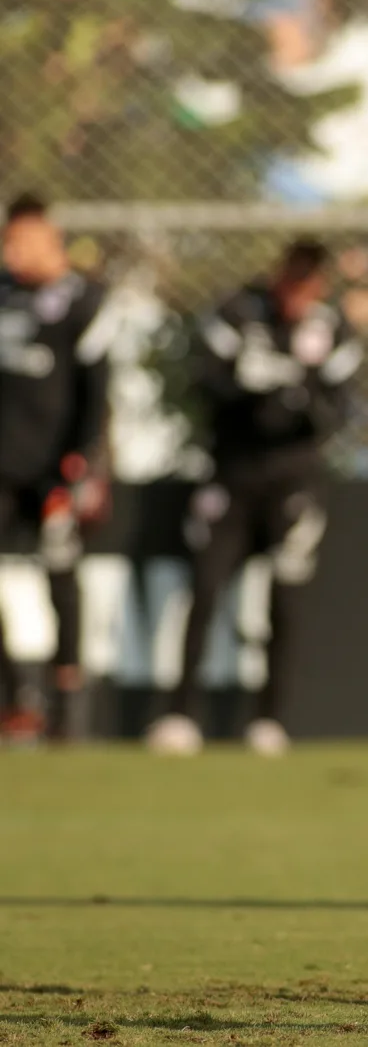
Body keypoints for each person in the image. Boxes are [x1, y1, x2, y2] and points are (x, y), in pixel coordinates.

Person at [145, 238, 360, 757]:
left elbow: (337, 412)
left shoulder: (331, 330)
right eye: (292, 285)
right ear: (279, 276)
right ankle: (180, 716)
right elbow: (203, 382)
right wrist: (247, 384)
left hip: (294, 480)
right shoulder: (237, 312)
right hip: (232, 474)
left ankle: (269, 720)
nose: (298, 299)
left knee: (284, 599)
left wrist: (295, 388)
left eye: (309, 289)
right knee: (205, 588)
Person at [0, 193, 113, 743]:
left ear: (49, 240)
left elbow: (96, 395)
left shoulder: (84, 302)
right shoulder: (3, 296)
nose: (11, 252)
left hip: (54, 467)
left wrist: (76, 467)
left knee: (61, 578)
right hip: (2, 463)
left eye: (21, 241)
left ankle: (67, 701)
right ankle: (15, 699)